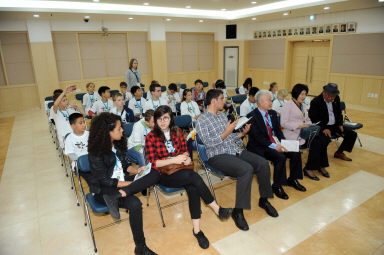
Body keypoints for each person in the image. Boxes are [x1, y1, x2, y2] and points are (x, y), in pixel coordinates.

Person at [196, 89, 278, 232]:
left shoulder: (221, 116)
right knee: (246, 169)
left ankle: (264, 200)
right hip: (217, 156)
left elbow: (228, 138)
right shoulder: (202, 120)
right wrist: (227, 131)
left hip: (234, 150)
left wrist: (241, 133)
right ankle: (238, 212)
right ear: (214, 101)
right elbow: (209, 143)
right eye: (222, 99)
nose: (224, 101)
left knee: (263, 163)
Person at [87, 113, 157, 255]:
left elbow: (126, 166)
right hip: (103, 191)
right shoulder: (95, 152)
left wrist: (138, 172)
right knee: (135, 204)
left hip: (120, 186)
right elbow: (104, 181)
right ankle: (141, 247)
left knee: (154, 173)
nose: (122, 131)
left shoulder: (117, 144)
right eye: (119, 129)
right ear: (108, 132)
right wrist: (128, 184)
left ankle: (121, 194)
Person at [246, 90, 306, 201]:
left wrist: (284, 143)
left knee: (295, 152)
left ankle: (293, 179)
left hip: (274, 142)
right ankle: (277, 186)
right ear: (260, 101)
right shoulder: (251, 116)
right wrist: (275, 146)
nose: (271, 102)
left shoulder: (272, 113)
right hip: (259, 146)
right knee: (280, 157)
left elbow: (278, 131)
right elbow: (258, 137)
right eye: (269, 100)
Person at [281, 84, 330, 181]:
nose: (304, 97)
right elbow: (283, 123)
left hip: (304, 132)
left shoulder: (303, 105)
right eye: (302, 94)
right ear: (296, 93)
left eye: (305, 94)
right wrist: (299, 126)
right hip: (293, 134)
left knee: (322, 140)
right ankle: (309, 168)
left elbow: (307, 119)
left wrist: (309, 125)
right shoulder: (288, 105)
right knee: (317, 141)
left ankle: (319, 165)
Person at [309, 83, 357, 161]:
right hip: (323, 126)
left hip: (335, 125)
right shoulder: (316, 101)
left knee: (352, 134)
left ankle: (339, 152)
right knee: (325, 139)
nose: (332, 98)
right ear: (324, 92)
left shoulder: (336, 98)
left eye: (333, 96)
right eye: (330, 96)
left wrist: (340, 124)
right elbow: (314, 119)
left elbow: (338, 113)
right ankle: (320, 160)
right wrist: (323, 128)